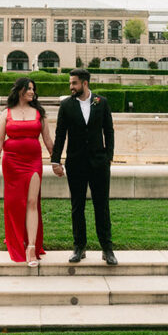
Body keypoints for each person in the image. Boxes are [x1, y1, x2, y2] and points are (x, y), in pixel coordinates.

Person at [51, 68, 117, 265]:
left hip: (99, 163)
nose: (71, 87)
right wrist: (56, 160)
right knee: (77, 207)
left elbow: (109, 131)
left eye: (74, 83)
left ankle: (107, 249)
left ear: (85, 84)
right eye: (71, 83)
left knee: (102, 206)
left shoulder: (101, 102)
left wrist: (108, 157)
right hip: (76, 163)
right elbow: (60, 134)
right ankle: (79, 247)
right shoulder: (66, 105)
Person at [0, 77, 54, 266]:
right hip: (11, 162)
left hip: (33, 162)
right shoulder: (6, 114)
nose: (32, 92)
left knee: (32, 201)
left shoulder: (39, 113)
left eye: (33, 89)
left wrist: (57, 160)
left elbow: (48, 139)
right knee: (14, 204)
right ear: (19, 90)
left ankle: (31, 247)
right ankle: (16, 239)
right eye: (29, 89)